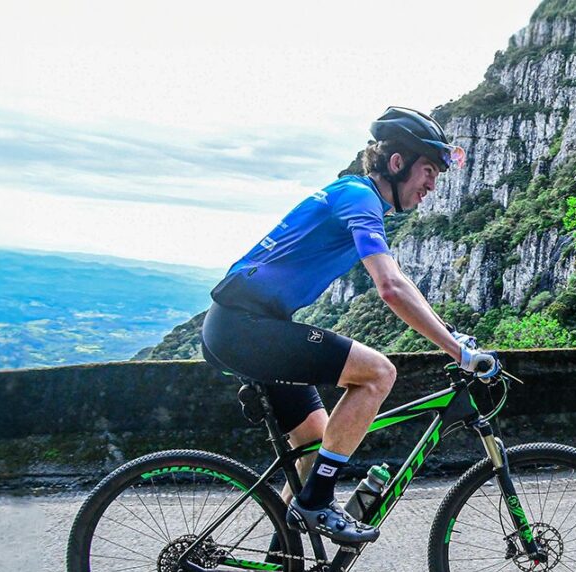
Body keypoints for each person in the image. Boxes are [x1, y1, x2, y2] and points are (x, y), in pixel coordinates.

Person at [200, 106, 499, 546]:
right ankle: (317, 501)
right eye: (429, 170)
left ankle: (281, 560)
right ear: (397, 164)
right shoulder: (358, 197)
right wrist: (457, 352)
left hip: (242, 326)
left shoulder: (356, 198)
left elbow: (402, 284)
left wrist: (452, 337)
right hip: (244, 327)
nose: (433, 185)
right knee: (379, 373)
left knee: (316, 443)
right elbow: (391, 287)